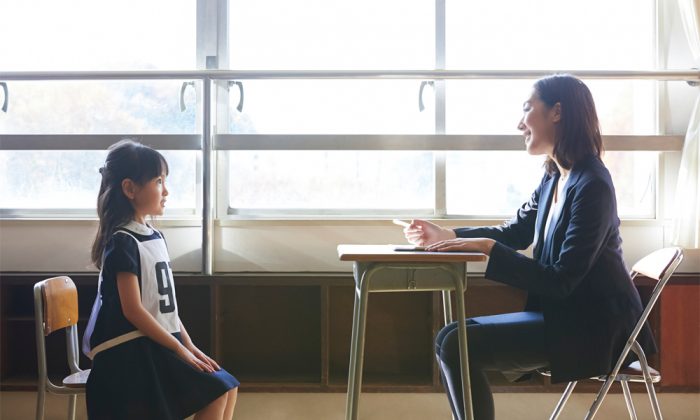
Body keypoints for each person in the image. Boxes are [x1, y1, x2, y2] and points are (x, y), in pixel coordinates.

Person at [403, 74, 656, 420]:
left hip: (594, 329)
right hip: (564, 316)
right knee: (448, 336)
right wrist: (446, 233)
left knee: (455, 345)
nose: (519, 123)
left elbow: (560, 280)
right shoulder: (555, 176)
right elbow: (517, 231)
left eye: (527, 109)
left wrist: (490, 248)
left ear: (557, 112)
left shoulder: (593, 185)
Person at [83, 139, 239, 420]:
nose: (166, 191)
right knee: (216, 391)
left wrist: (190, 346)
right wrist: (179, 349)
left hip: (152, 341)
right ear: (129, 188)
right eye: (158, 181)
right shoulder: (123, 241)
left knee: (227, 387)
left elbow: (166, 310)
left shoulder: (155, 236)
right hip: (128, 350)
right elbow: (133, 310)